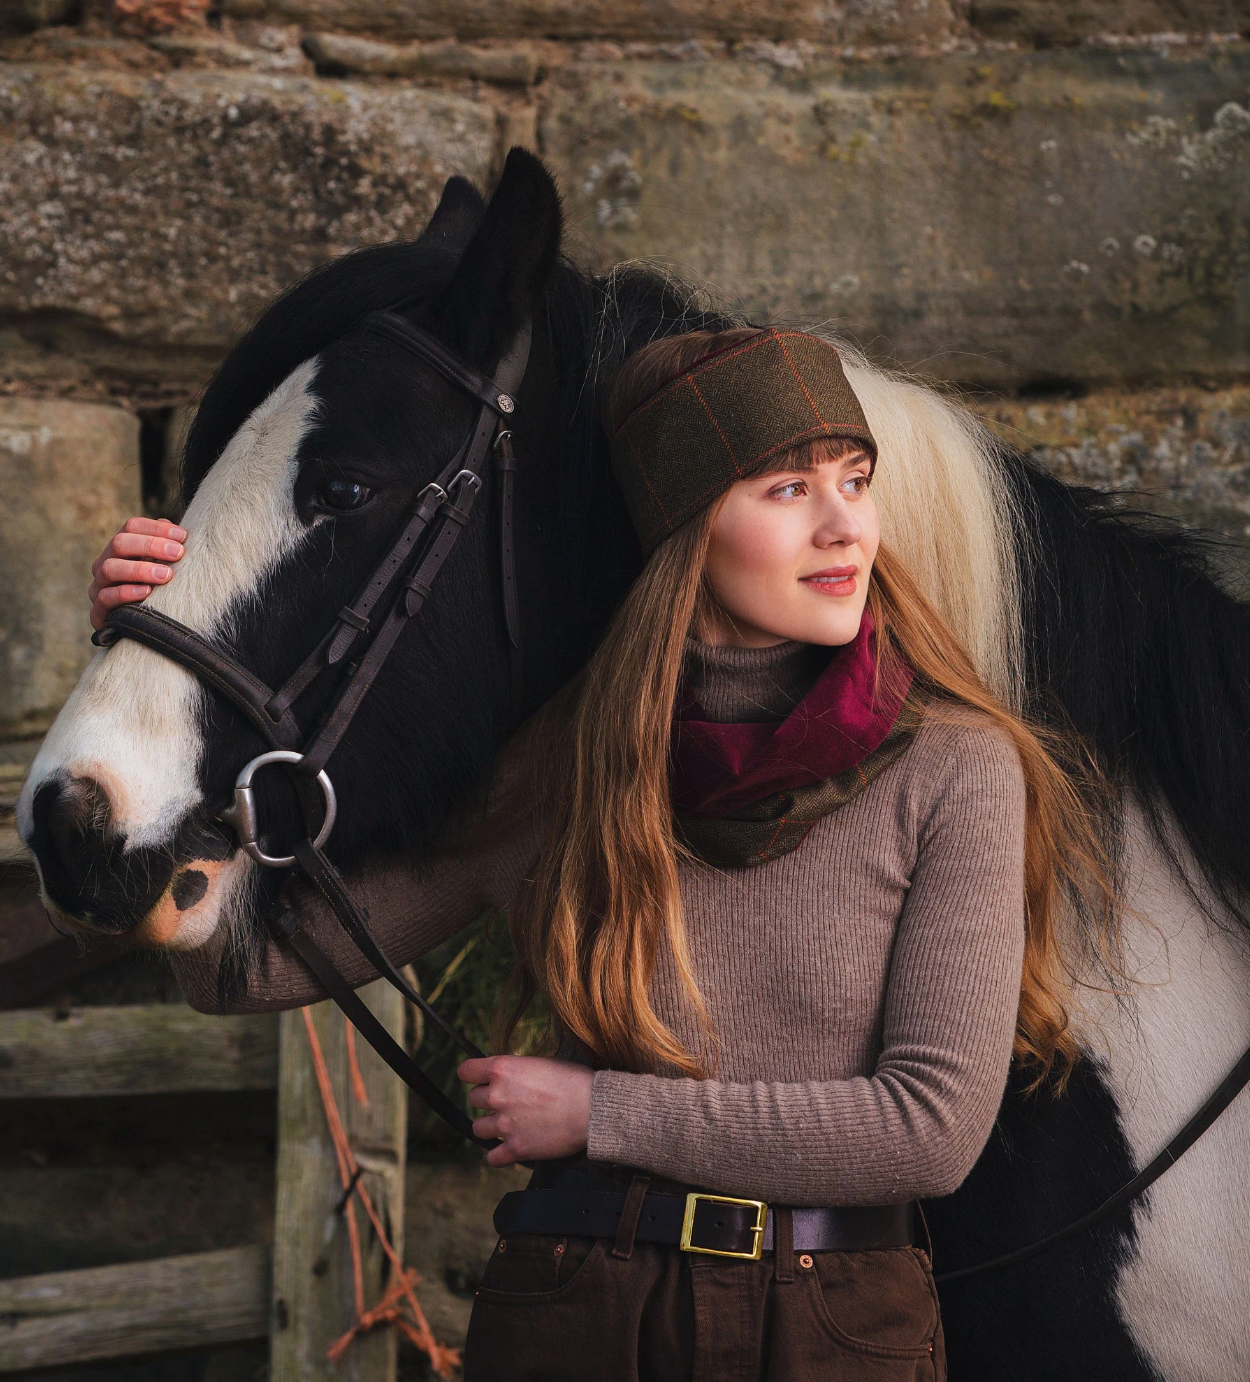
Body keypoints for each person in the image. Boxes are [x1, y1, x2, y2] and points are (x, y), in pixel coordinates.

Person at [89, 326, 1112, 1380]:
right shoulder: (561, 767)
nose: (842, 524)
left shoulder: (953, 767)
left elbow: (927, 1129)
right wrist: (149, 675)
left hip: (835, 1324)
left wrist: (597, 1110)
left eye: (855, 480)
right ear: (683, 525)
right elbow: (238, 964)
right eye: (783, 489)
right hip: (577, 1308)